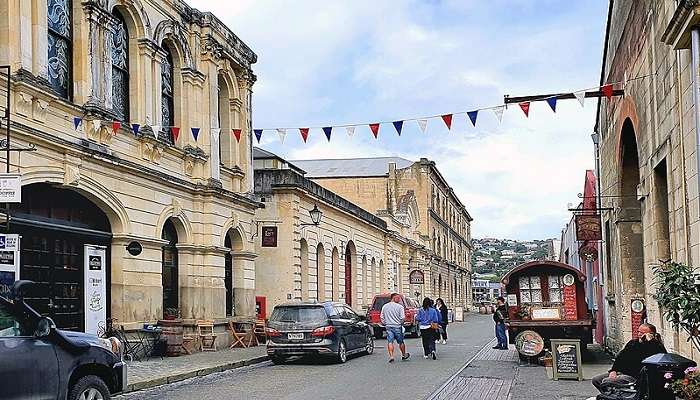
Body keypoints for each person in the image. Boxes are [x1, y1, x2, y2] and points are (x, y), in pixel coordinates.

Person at [592, 323, 667, 392]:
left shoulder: (656, 346)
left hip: (635, 376)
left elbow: (657, 357)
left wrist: (650, 341)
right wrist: (613, 370)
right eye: (639, 332)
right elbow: (620, 357)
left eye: (642, 333)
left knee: (607, 381)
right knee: (596, 380)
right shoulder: (633, 343)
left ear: (651, 334)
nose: (639, 334)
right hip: (622, 372)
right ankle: (612, 396)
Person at [380, 293, 410, 363]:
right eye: (398, 298)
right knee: (401, 342)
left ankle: (391, 356)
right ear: (393, 298)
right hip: (397, 326)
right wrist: (401, 323)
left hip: (388, 326)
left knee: (390, 342)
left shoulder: (385, 306)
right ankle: (403, 354)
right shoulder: (400, 307)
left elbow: (382, 317)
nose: (399, 300)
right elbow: (402, 318)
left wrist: (385, 323)